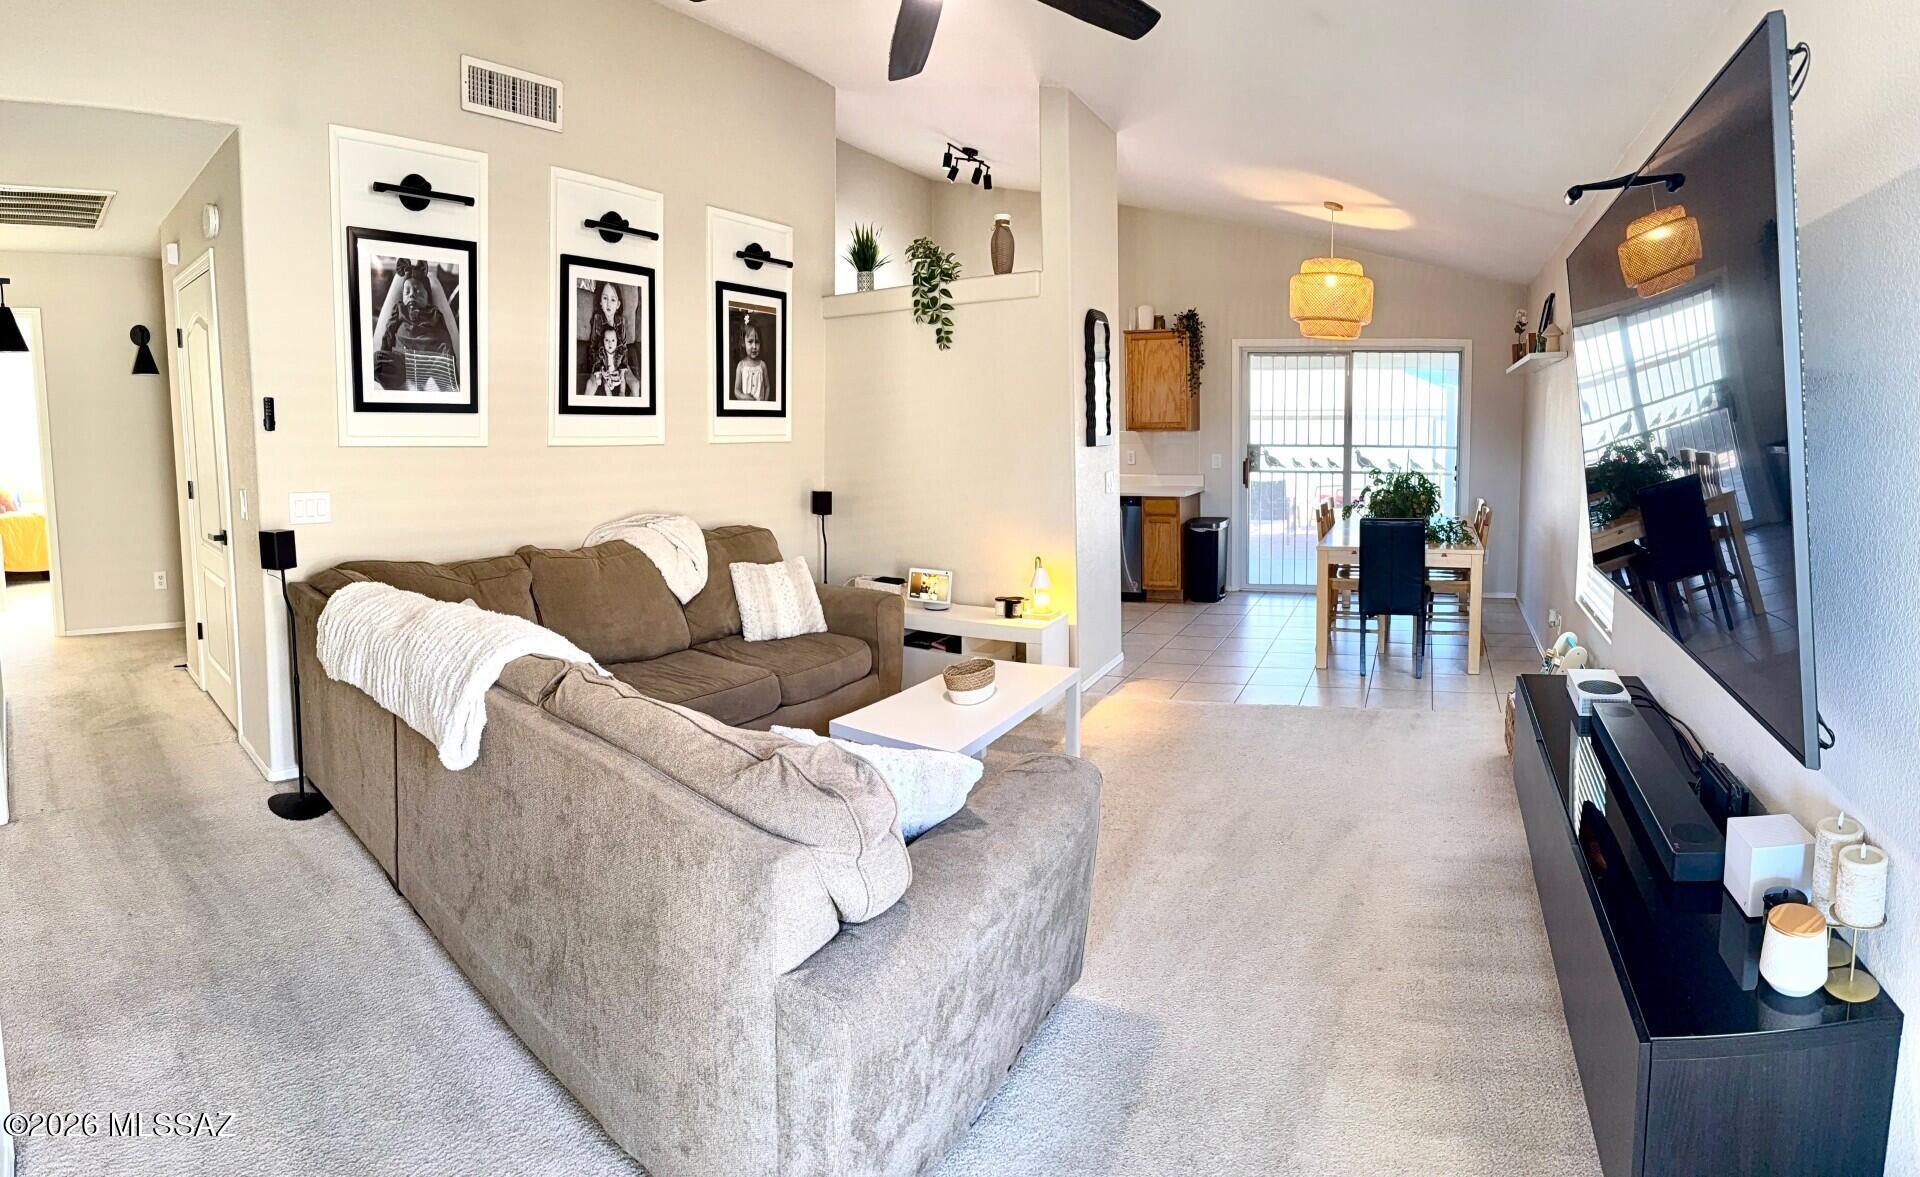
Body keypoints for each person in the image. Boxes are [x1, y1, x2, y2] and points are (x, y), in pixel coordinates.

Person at [371, 258, 460, 393]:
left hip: (428, 359)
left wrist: (447, 359)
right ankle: (410, 380)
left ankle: (425, 380)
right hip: (402, 360)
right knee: (377, 361)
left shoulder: (433, 313)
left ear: (428, 297)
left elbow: (443, 336)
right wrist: (385, 352)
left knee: (443, 367)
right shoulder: (399, 309)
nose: (412, 295)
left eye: (418, 292)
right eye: (407, 292)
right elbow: (389, 332)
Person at [583, 322, 640, 397]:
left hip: (618, 370)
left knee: (624, 381)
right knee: (605, 383)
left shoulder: (620, 351)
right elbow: (598, 362)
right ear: (603, 341)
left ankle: (622, 393)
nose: (610, 343)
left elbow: (624, 360)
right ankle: (609, 396)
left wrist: (622, 371)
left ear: (617, 342)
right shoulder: (601, 351)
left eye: (613, 340)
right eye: (607, 340)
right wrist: (600, 372)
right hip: (607, 372)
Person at [730, 320, 771, 402]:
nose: (754, 346)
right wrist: (744, 397)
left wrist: (765, 403)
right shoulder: (741, 365)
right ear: (743, 343)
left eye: (757, 342)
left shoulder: (762, 365)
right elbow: (736, 390)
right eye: (750, 341)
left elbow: (767, 387)